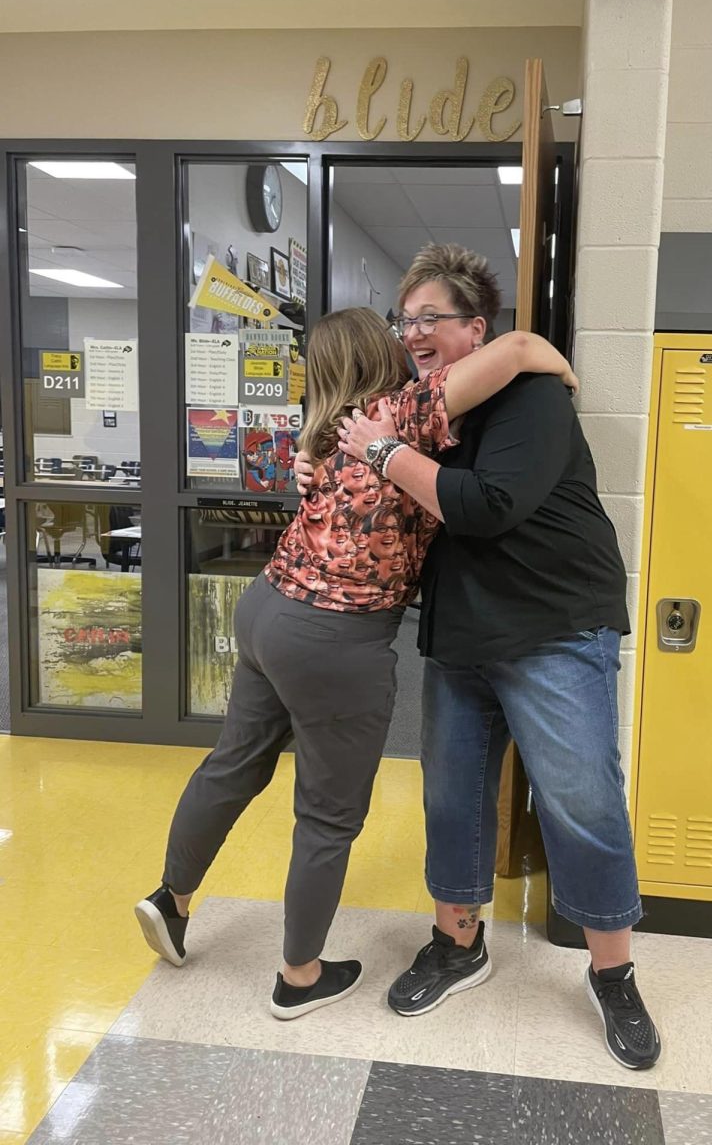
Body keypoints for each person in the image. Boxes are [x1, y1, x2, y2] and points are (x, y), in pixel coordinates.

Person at [134, 305, 577, 1022]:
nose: (416, 343)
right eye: (403, 332)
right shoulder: (395, 414)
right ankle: (299, 975)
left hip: (266, 610)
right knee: (328, 817)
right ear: (382, 352)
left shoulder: (326, 433)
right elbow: (520, 346)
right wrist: (560, 368)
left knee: (233, 763)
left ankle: (172, 900)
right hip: (335, 640)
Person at [328, 243, 661, 1070]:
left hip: (554, 629)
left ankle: (613, 973)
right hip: (464, 636)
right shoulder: (423, 408)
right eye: (405, 322)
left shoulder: (529, 399)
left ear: (475, 328)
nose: (414, 335)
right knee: (452, 799)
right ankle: (457, 943)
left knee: (580, 800)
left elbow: (487, 505)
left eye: (430, 319)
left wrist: (384, 456)